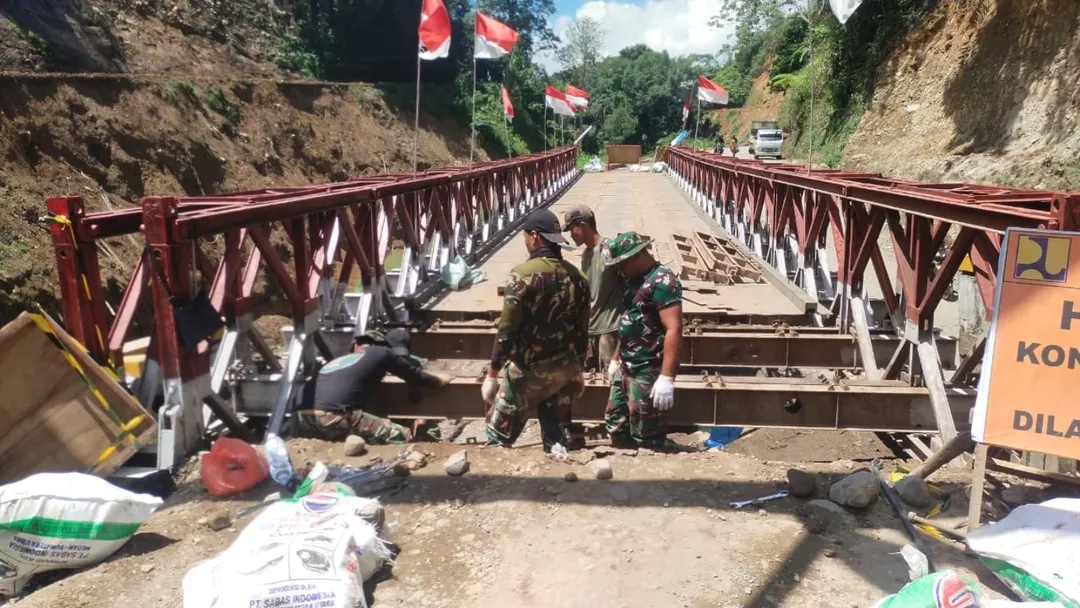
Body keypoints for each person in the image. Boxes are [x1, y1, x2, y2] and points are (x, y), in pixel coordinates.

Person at [483, 209, 590, 451]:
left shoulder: (522, 275)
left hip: (527, 372)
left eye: (525, 237)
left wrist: (493, 373)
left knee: (497, 438)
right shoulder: (579, 278)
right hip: (564, 370)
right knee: (556, 441)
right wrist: (579, 369)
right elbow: (583, 332)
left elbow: (507, 330)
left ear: (534, 237)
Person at [292, 328, 450, 444]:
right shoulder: (383, 353)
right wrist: (438, 380)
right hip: (333, 416)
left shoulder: (338, 362)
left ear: (356, 346)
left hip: (299, 418)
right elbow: (414, 375)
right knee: (403, 436)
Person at [604, 232, 683, 449]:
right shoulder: (632, 280)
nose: (619, 270)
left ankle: (649, 460)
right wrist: (616, 358)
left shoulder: (663, 281)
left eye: (622, 264)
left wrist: (667, 377)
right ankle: (624, 457)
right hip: (626, 365)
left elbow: (674, 328)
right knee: (615, 420)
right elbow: (630, 319)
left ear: (637, 256)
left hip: (647, 368)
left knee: (645, 429)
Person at [563, 204, 624, 372]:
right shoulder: (587, 254)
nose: (570, 235)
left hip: (609, 330)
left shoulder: (610, 250)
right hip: (591, 329)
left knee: (610, 380)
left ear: (582, 226)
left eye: (571, 229)